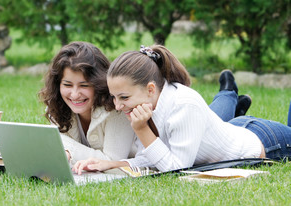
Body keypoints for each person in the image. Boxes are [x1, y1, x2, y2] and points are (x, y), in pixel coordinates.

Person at [73, 45, 291, 174]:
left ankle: (231, 96)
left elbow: (176, 169)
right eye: (113, 97)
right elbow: (151, 159)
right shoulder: (149, 105)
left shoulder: (183, 105)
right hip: (234, 129)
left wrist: (142, 131)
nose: (118, 106)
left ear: (150, 89)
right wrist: (109, 164)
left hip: (267, 142)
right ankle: (232, 100)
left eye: (124, 97)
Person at [39, 41, 135, 164]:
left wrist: (65, 146)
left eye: (84, 85)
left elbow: (112, 162)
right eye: (67, 85)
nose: (74, 94)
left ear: (99, 84)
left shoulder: (118, 107)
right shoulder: (57, 105)